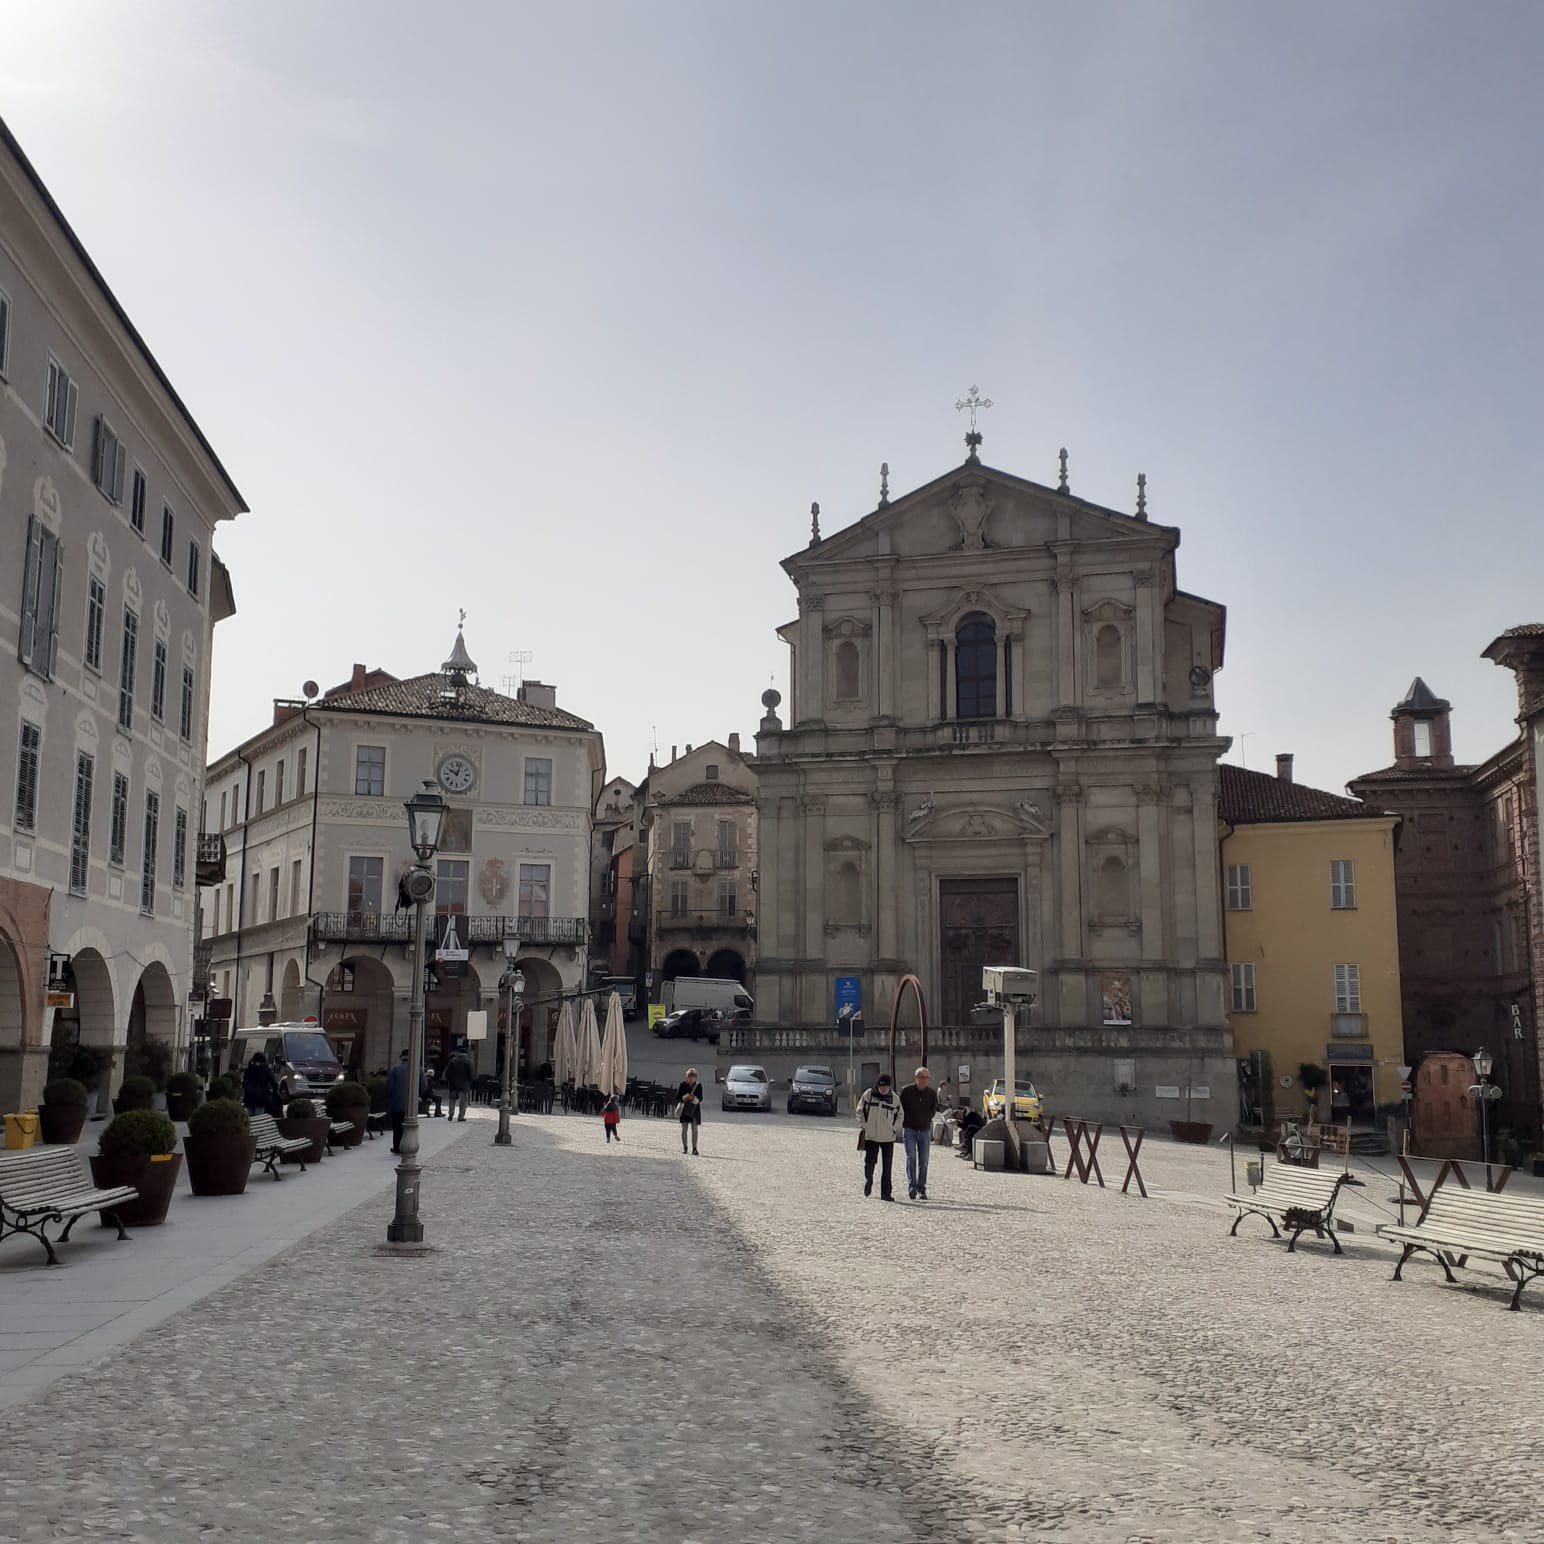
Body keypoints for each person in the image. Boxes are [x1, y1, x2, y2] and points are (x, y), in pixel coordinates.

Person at [856, 1072, 903, 1200]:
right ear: (877, 1086)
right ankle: (869, 1180)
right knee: (869, 1163)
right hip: (871, 1136)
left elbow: (900, 1115)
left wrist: (894, 1128)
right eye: (881, 1087)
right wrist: (864, 1124)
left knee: (887, 1167)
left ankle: (886, 1193)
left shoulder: (895, 1099)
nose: (883, 1089)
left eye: (886, 1087)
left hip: (888, 1137)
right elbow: (859, 1110)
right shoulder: (868, 1095)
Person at [899, 1065, 940, 1200]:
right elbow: (900, 1108)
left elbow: (933, 1110)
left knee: (924, 1161)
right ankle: (912, 1187)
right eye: (922, 1077)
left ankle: (922, 1188)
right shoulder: (906, 1091)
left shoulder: (932, 1093)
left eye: (927, 1078)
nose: (925, 1080)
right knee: (911, 1158)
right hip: (909, 1129)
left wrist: (926, 1119)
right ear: (916, 1078)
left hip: (924, 1130)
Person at [385, 1049, 412, 1154]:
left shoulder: (395, 1070)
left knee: (397, 1127)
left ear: (401, 1057)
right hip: (411, 1104)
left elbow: (389, 1087)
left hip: (397, 1103)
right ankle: (409, 1145)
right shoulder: (417, 1069)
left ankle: (397, 1147)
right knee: (410, 1125)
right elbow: (423, 1085)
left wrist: (392, 1097)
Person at [242, 1051, 281, 1118]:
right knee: (259, 1116)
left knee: (250, 1116)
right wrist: (274, 1093)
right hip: (261, 1097)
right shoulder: (266, 1070)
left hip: (249, 1097)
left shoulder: (249, 1070)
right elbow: (274, 1083)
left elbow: (244, 1083)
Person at [445, 1045, 475, 1122]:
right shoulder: (469, 1062)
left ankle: (451, 1114)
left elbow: (447, 1073)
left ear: (459, 1053)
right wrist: (470, 1082)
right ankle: (461, 1116)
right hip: (464, 1084)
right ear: (466, 1053)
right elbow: (471, 1074)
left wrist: (449, 1080)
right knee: (463, 1101)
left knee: (452, 1100)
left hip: (453, 1084)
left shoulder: (453, 1061)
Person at [678, 1067, 704, 1155]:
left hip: (694, 1110)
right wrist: (684, 1097)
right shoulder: (683, 1085)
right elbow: (677, 1096)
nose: (690, 1079)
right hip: (685, 1109)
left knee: (694, 1129)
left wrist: (694, 1098)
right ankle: (685, 1147)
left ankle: (694, 1148)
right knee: (684, 1129)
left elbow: (701, 1098)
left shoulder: (698, 1086)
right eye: (689, 1077)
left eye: (692, 1077)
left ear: (695, 1077)